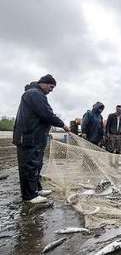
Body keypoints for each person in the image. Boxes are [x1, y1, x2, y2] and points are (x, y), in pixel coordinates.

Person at [13, 74, 69, 204]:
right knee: (29, 166)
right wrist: (63, 125)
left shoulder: (37, 94)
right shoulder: (34, 94)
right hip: (28, 137)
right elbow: (47, 114)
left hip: (36, 138)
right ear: (43, 83)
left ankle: (36, 190)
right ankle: (29, 196)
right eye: (51, 86)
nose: (51, 90)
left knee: (37, 164)